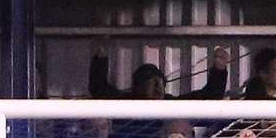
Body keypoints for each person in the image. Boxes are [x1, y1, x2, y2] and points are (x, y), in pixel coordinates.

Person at [88, 43, 230, 100]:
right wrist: (100, 58)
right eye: (149, 82)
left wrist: (219, 70)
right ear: (139, 86)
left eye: (159, 81)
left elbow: (209, 96)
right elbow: (98, 88)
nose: (156, 86)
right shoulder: (127, 103)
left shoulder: (170, 105)